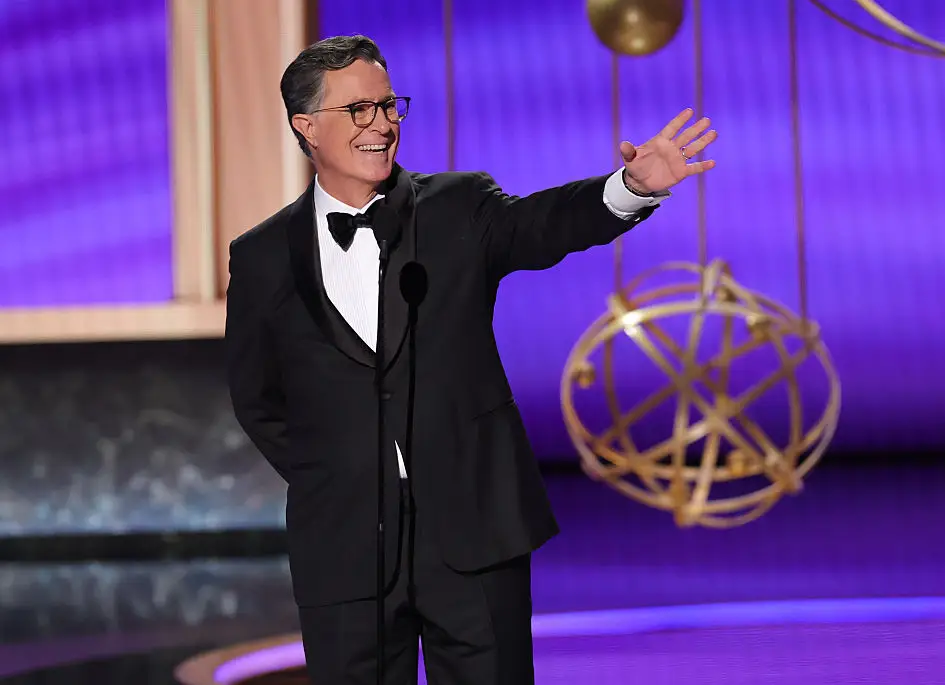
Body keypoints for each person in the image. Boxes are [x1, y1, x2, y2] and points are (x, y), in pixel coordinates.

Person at [225, 34, 716, 685]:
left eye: (389, 106)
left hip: (473, 530)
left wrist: (628, 188)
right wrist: (340, 473)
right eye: (359, 111)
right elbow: (258, 398)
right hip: (345, 545)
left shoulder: (457, 206)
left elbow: (544, 225)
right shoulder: (261, 255)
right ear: (306, 125)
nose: (382, 125)